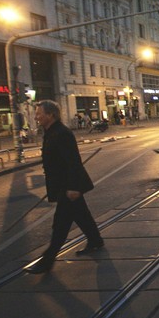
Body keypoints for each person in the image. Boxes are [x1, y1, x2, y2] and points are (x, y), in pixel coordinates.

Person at [26, 100, 103, 274]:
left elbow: (73, 163)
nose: (36, 117)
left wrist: (73, 187)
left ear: (50, 115)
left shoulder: (62, 133)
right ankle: (95, 240)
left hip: (68, 187)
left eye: (39, 113)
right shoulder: (51, 132)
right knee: (82, 215)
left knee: (60, 225)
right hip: (63, 186)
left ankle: (47, 260)